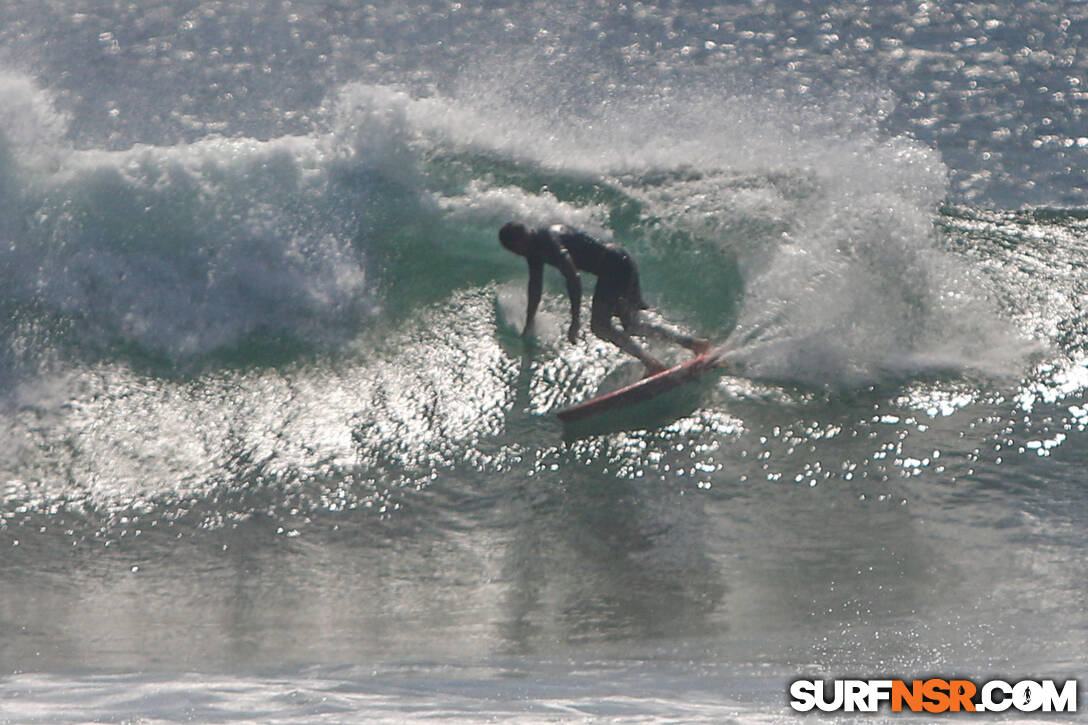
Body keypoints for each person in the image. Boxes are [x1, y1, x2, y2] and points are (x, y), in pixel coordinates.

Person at [499, 221, 709, 374]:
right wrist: (529, 322)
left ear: (522, 239)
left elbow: (573, 277)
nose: (516, 253)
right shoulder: (535, 250)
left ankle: (651, 364)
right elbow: (535, 287)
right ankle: (694, 344)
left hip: (615, 268)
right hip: (621, 262)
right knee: (632, 327)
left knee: (600, 326)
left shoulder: (547, 240)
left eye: (513, 248)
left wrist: (575, 322)